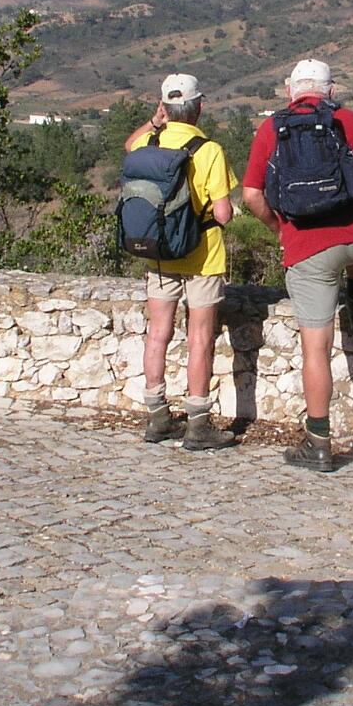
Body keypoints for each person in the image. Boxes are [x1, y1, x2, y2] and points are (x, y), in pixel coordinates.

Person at [241, 60, 353, 472]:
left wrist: (280, 229)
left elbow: (251, 195)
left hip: (308, 248)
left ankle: (319, 442)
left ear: (290, 91)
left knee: (315, 347)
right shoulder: (352, 121)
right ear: (331, 90)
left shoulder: (271, 128)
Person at [124, 73, 237, 450]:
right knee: (199, 338)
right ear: (198, 108)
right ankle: (198, 424)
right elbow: (223, 214)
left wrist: (154, 122)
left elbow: (129, 146)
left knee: (158, 333)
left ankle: (157, 416)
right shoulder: (209, 150)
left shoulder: (148, 143)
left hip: (159, 251)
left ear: (165, 108)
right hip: (202, 256)